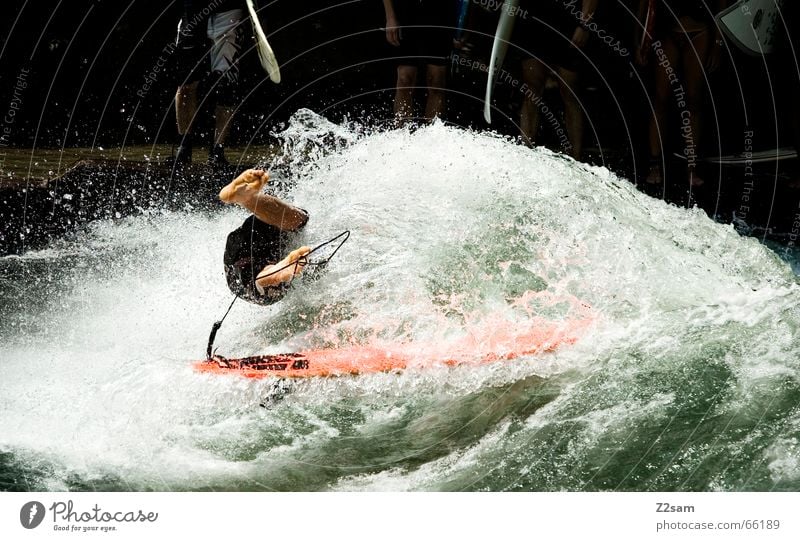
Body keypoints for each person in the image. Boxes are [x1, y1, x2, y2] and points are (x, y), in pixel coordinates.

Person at [635, 0, 730, 187]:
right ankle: (655, 164)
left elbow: (722, 5)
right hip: (666, 30)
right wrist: (638, 40)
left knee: (694, 100)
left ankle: (691, 166)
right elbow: (644, 5)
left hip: (700, 31)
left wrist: (718, 43)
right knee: (660, 99)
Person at [515, 0, 598, 160]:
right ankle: (525, 153)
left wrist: (584, 25)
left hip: (567, 22)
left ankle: (576, 160)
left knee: (569, 92)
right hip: (533, 20)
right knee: (532, 89)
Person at [172, 0, 248, 167]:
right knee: (185, 83)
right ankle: (183, 148)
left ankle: (217, 151)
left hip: (229, 11)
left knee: (227, 83)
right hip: (191, 13)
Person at [219, 169, 311, 305]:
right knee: (263, 288)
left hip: (244, 243)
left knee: (300, 219)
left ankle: (248, 199)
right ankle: (275, 273)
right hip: (242, 268)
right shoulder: (279, 221)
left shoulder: (269, 221)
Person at [383, 0, 456, 123]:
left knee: (436, 80)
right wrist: (390, 17)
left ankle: (433, 136)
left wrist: (462, 24)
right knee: (404, 78)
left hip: (440, 12)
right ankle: (402, 135)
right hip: (406, 11)